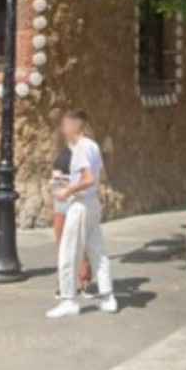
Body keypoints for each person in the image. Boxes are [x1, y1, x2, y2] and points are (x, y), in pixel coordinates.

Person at [48, 110, 115, 319]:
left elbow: (87, 178)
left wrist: (67, 191)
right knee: (98, 250)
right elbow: (99, 175)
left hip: (81, 204)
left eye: (65, 125)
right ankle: (107, 297)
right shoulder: (93, 146)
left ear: (74, 126)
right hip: (91, 202)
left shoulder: (81, 148)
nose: (63, 129)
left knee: (68, 251)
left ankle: (68, 300)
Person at [50, 133, 92, 295]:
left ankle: (84, 280)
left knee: (78, 242)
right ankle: (67, 283)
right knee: (64, 244)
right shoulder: (64, 153)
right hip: (62, 200)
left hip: (77, 200)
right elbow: (57, 182)